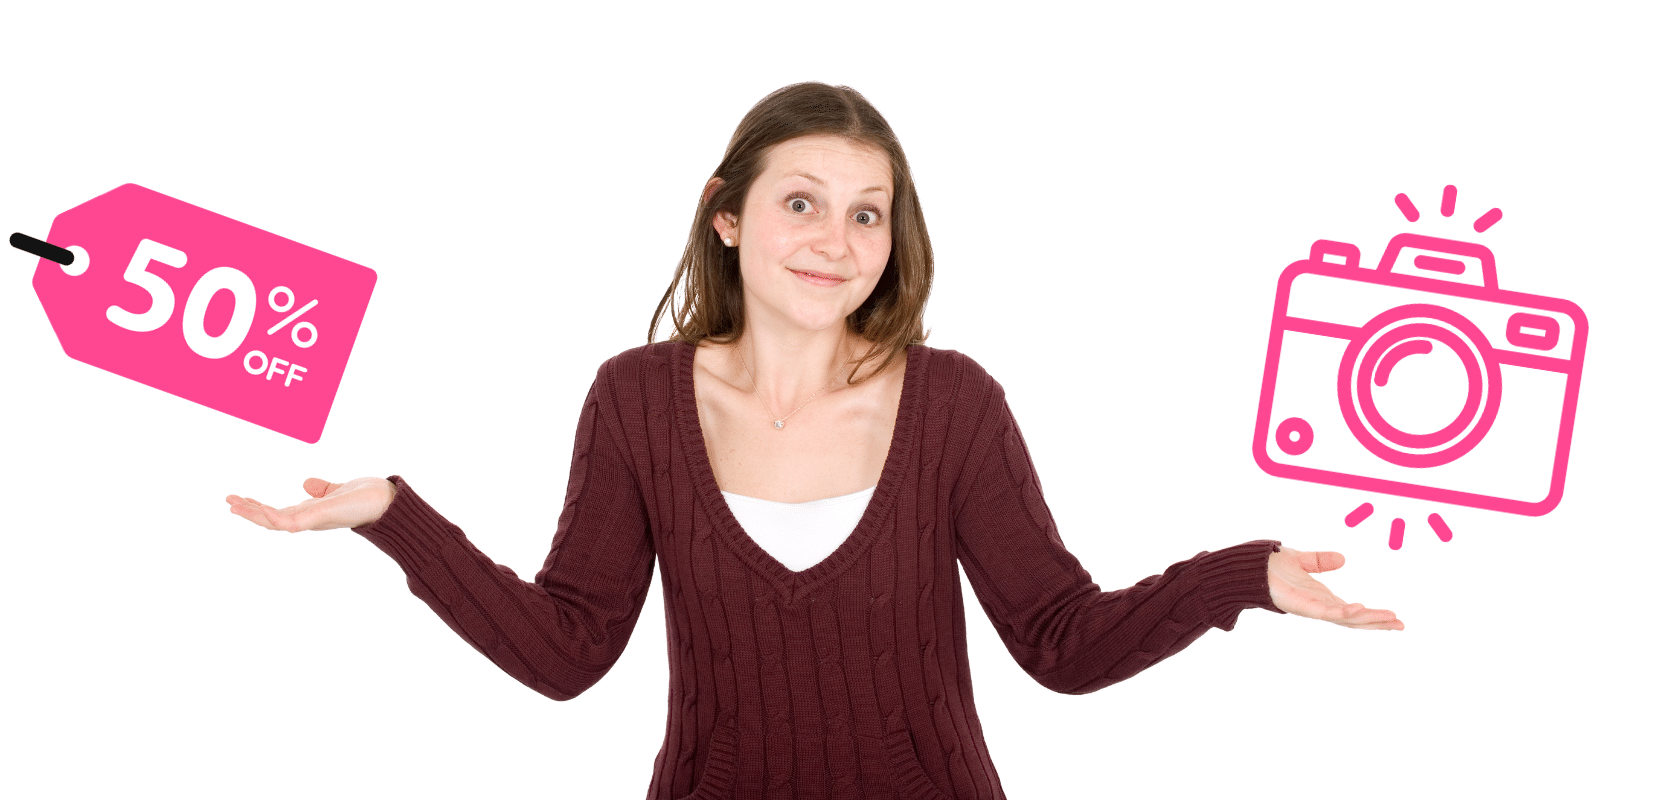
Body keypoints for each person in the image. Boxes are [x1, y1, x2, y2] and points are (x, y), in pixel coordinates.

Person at [226, 82, 1401, 799]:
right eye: (801, 201)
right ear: (726, 213)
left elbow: (1060, 638)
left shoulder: (954, 406)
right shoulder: (635, 400)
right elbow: (570, 649)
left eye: (866, 211)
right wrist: (395, 516)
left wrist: (1243, 579)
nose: (836, 238)